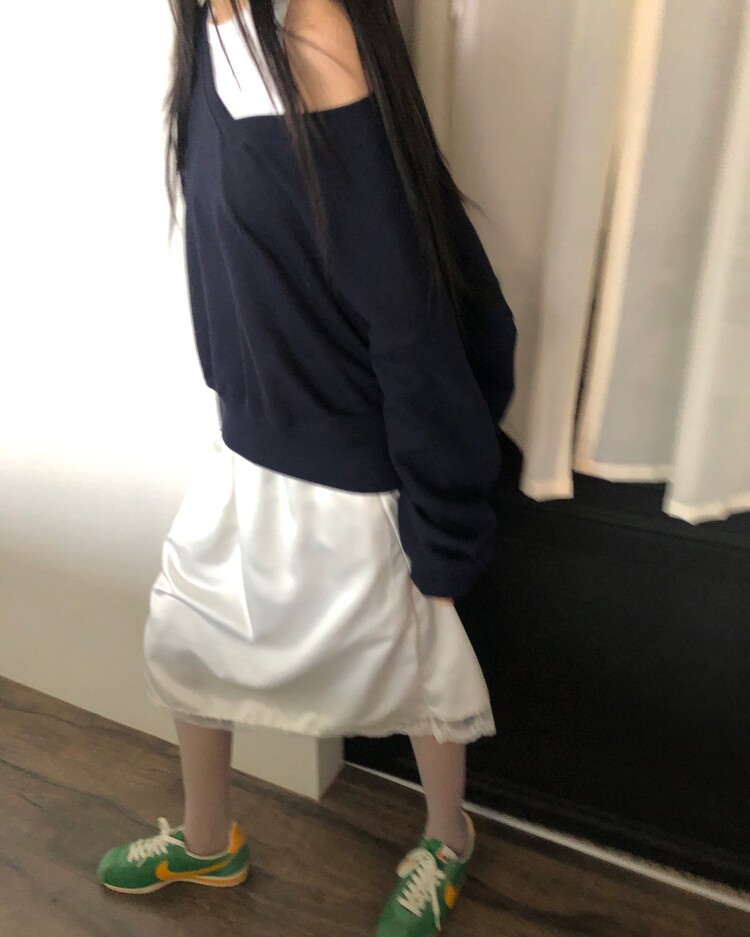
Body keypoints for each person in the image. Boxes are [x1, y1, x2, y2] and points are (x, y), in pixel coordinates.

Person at [97, 1, 517, 935]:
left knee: (420, 660)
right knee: (186, 634)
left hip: (354, 462)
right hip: (248, 440)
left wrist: (445, 513)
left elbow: (405, 308)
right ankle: (209, 837)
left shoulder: (310, 26)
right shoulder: (205, 34)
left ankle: (447, 835)